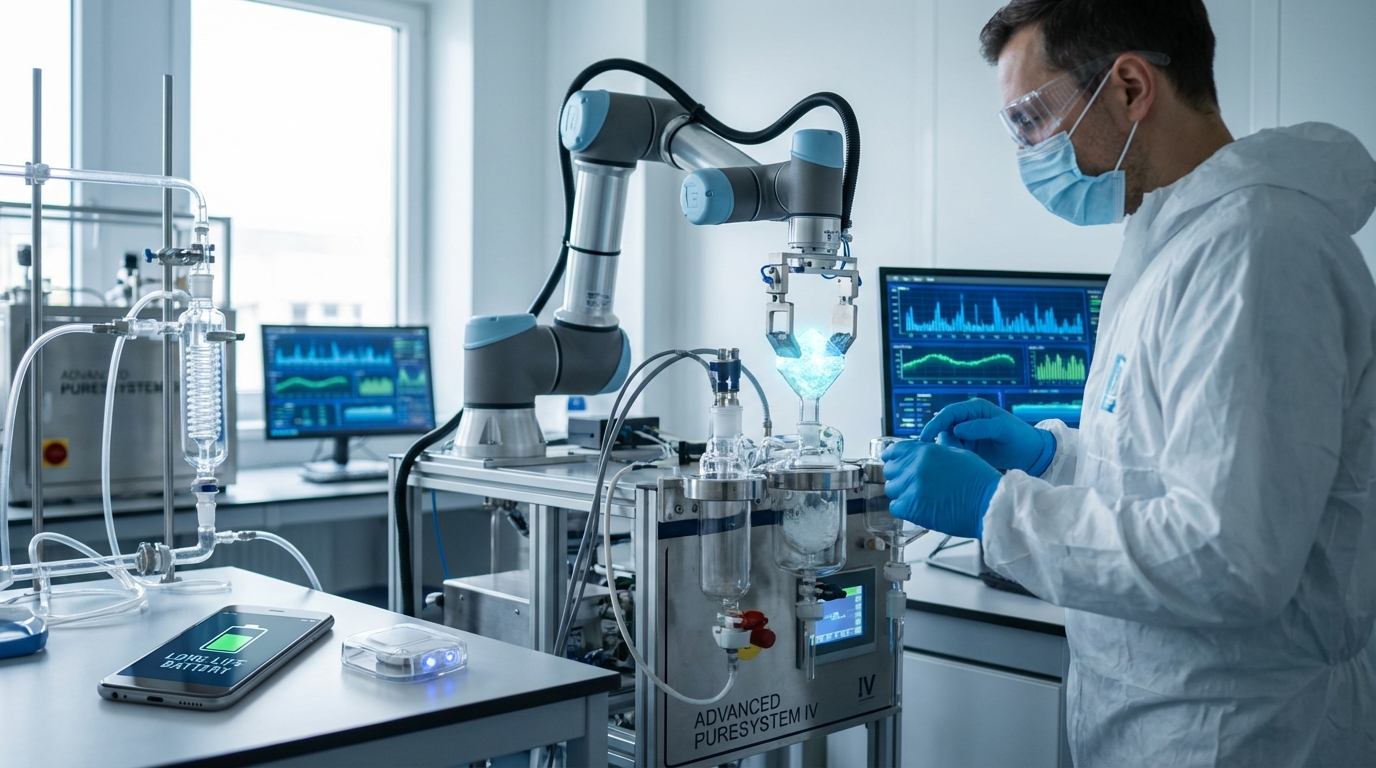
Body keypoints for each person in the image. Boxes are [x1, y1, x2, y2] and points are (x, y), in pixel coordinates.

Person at [882, 1, 1376, 764]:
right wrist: (1054, 460)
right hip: (1164, 717)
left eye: (1029, 118)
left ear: (1131, 89)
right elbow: (1171, 473)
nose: (1025, 149)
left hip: (1239, 735)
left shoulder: (1257, 250)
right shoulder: (1176, 237)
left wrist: (996, 510)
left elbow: (1230, 556)